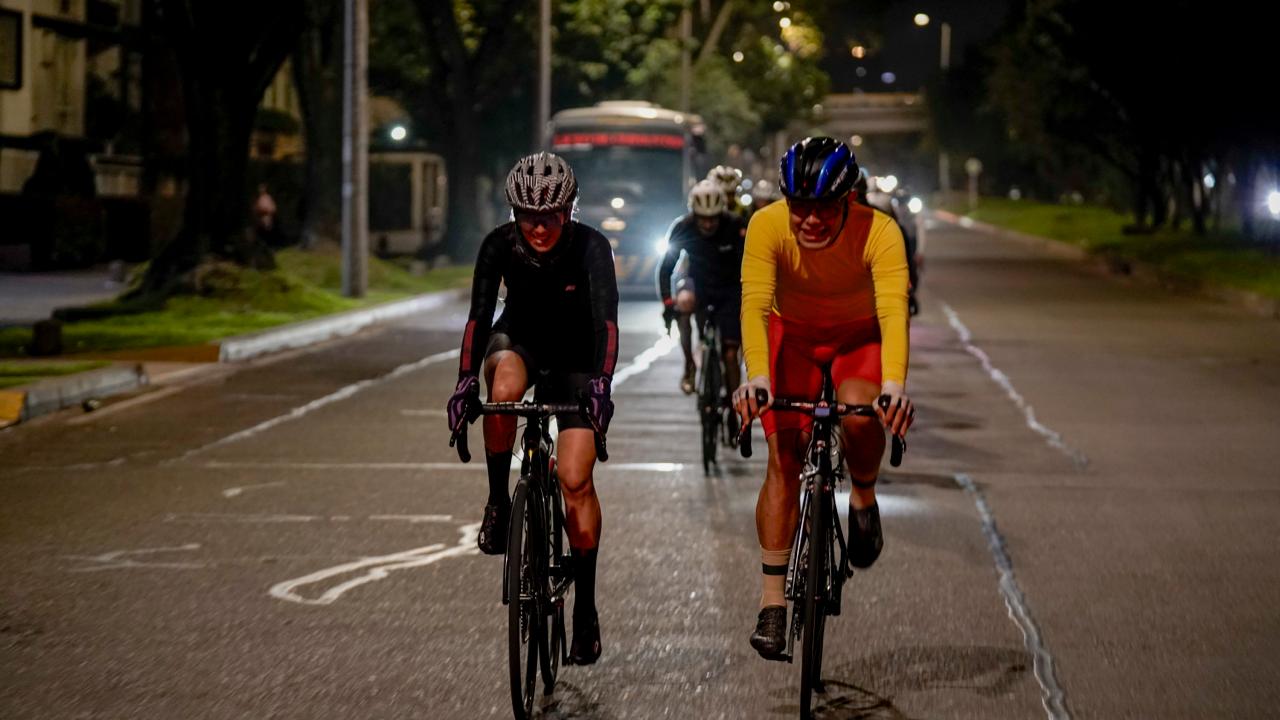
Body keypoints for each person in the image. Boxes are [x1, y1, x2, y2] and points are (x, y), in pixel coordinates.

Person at [731, 137, 916, 659]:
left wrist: (894, 386)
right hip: (791, 336)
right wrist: (756, 377)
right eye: (799, 206)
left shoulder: (880, 231)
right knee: (783, 459)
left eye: (824, 208)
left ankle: (863, 498)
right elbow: (754, 306)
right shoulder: (766, 225)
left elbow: (892, 312)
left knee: (859, 417)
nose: (810, 219)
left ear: (848, 199)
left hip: (857, 338)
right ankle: (772, 604)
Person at [446, 152, 619, 665]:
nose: (539, 228)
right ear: (514, 213)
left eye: (550, 217)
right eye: (527, 217)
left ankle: (585, 609)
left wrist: (601, 383)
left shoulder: (592, 246)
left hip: (577, 356)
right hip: (519, 339)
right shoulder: (498, 244)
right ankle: (498, 502)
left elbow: (606, 323)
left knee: (575, 480)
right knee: (501, 388)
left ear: (569, 211)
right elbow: (479, 318)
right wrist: (463, 382)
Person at [656, 180, 747, 397]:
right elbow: (665, 268)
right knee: (683, 302)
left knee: (730, 354)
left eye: (713, 218)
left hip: (730, 288)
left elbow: (751, 264)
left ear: (721, 213)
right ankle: (689, 365)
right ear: (693, 214)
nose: (707, 225)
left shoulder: (735, 225)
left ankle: (734, 408)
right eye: (702, 219)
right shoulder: (683, 227)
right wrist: (668, 304)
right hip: (699, 284)